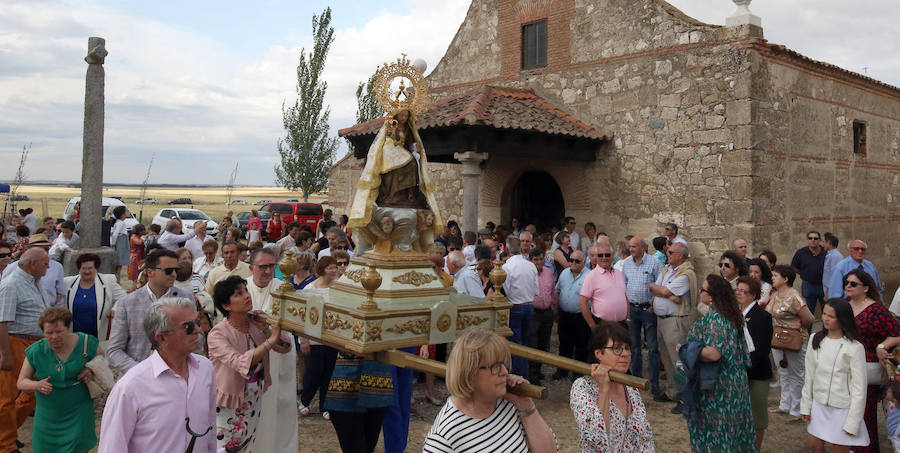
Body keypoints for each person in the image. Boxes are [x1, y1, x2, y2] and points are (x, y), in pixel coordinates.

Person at [98, 297, 216, 452]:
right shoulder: (131, 387)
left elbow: (209, 428)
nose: (197, 330)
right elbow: (112, 447)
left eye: (197, 323)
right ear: (161, 337)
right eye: (188, 327)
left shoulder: (205, 369)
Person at [423, 328, 557, 453]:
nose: (505, 372)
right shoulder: (444, 437)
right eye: (495, 367)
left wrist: (527, 406)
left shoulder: (510, 404)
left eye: (504, 364)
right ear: (469, 373)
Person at [208, 276, 290, 451]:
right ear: (226, 306)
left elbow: (285, 347)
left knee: (248, 442)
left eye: (246, 291)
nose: (246, 296)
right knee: (226, 446)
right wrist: (270, 340)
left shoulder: (254, 323)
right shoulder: (218, 334)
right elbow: (239, 362)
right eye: (238, 294)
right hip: (229, 400)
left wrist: (267, 328)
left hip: (253, 395)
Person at [684, 274, 755, 452]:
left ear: (712, 296)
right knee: (733, 431)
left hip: (720, 387)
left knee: (719, 431)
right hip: (733, 382)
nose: (700, 292)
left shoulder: (718, 319)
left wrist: (686, 349)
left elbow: (714, 353)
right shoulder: (729, 315)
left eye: (703, 289)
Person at [16, 307, 99, 452]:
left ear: (68, 328)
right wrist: (37, 385)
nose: (54, 337)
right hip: (47, 417)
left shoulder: (86, 342)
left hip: (78, 413)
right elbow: (21, 382)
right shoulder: (36, 351)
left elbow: (103, 359)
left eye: (59, 332)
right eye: (49, 333)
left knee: (78, 448)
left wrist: (91, 369)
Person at [106, 249, 193, 376]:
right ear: (150, 272)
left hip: (176, 375)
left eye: (176, 270)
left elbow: (197, 338)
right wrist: (142, 372)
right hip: (137, 379)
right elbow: (114, 351)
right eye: (169, 271)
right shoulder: (127, 303)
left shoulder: (186, 298)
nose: (174, 274)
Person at [570, 321, 653, 452]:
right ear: (599, 353)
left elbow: (645, 439)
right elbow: (596, 438)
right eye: (617, 349)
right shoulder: (583, 387)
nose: (625, 354)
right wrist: (604, 390)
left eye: (627, 348)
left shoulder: (631, 388)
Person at [800, 298, 869, 452]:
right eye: (824, 314)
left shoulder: (855, 348)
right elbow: (809, 376)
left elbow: (859, 388)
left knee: (839, 448)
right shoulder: (815, 339)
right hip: (819, 404)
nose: (825, 318)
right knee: (814, 445)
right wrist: (806, 405)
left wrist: (853, 421)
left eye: (831, 316)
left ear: (843, 319)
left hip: (842, 408)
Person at [845, 268, 900, 453]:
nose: (848, 286)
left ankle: (866, 448)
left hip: (867, 368)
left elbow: (896, 334)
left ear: (866, 288)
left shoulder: (876, 310)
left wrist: (881, 346)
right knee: (846, 410)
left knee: (864, 411)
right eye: (846, 283)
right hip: (844, 366)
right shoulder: (843, 307)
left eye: (853, 283)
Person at [0, 248, 49, 452]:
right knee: (7, 397)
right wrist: (5, 354)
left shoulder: (34, 282)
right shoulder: (11, 285)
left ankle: (8, 433)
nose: (48, 267)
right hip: (17, 343)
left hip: (36, 345)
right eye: (45, 263)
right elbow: (2, 322)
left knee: (33, 394)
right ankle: (5, 445)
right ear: (32, 264)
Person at [649, 242, 696, 412]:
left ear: (680, 255)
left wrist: (663, 291)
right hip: (662, 320)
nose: (667, 254)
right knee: (667, 359)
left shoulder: (686, 273)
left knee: (679, 361)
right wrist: (664, 292)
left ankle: (685, 397)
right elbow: (656, 287)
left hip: (675, 321)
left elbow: (663, 291)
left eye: (670, 252)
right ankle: (672, 392)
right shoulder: (667, 270)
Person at [767, 264, 815, 421]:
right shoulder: (775, 295)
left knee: (796, 373)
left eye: (775, 276)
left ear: (786, 279)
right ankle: (785, 405)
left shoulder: (794, 297)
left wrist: (796, 329)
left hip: (794, 339)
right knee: (783, 372)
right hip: (778, 338)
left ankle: (797, 409)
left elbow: (809, 318)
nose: (772, 278)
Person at [298, 255, 339, 419]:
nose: (334, 270)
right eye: (330, 268)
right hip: (314, 337)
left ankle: (325, 405)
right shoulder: (310, 288)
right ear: (322, 270)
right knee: (313, 372)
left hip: (332, 337)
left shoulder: (339, 287)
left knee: (329, 372)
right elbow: (302, 315)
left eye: (335, 267)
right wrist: (303, 340)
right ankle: (305, 400)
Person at [735, 276, 773, 450]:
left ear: (753, 295)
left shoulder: (762, 316)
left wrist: (745, 367)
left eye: (743, 291)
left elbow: (762, 349)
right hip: (737, 372)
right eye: (738, 290)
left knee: (757, 416)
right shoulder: (733, 314)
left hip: (756, 373)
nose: (739, 293)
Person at [63, 253, 126, 341]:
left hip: (98, 336)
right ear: (79, 269)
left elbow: (124, 297)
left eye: (90, 268)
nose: (87, 271)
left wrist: (115, 309)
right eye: (83, 268)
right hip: (74, 337)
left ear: (96, 268)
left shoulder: (108, 281)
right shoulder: (68, 282)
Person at [501, 237, 539, 378]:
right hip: (529, 305)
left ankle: (521, 376)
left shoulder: (507, 267)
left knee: (516, 345)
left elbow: (505, 291)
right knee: (526, 342)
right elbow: (536, 290)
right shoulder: (531, 265)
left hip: (515, 307)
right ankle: (526, 373)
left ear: (507, 249)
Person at [555, 249, 590, 375]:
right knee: (564, 343)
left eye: (577, 261)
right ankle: (563, 370)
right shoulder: (564, 273)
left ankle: (578, 373)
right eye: (571, 260)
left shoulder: (589, 276)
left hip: (581, 317)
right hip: (565, 315)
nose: (573, 263)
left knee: (581, 345)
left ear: (584, 262)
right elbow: (558, 291)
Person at [579, 242, 627, 330]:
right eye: (600, 255)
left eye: (607, 255)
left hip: (622, 324)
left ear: (612, 256)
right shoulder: (591, 276)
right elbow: (582, 303)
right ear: (596, 257)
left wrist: (628, 317)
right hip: (602, 325)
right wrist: (592, 325)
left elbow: (624, 296)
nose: (604, 258)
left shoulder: (619, 274)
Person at [528, 248, 557, 385]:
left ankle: (538, 370)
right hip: (534, 312)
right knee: (533, 343)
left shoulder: (549, 272)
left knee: (543, 343)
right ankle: (532, 374)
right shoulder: (528, 274)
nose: (539, 262)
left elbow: (553, 291)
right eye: (536, 260)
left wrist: (554, 308)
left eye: (541, 259)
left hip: (547, 312)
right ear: (531, 260)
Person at [792, 230, 826, 317]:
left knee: (826, 309)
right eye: (810, 238)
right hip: (808, 285)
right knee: (808, 311)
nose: (813, 240)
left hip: (824, 285)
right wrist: (803, 273)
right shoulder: (801, 253)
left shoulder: (825, 252)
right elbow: (794, 267)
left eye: (815, 238)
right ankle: (809, 326)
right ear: (807, 240)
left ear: (819, 240)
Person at [109, 205, 130, 280]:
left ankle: (117, 281)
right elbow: (115, 234)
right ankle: (117, 281)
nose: (129, 212)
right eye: (127, 211)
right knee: (118, 266)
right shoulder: (121, 223)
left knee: (118, 266)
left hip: (120, 244)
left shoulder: (118, 222)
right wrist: (113, 244)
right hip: (120, 245)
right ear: (122, 214)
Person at [822, 233, 843, 299]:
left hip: (832, 292)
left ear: (829, 243)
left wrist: (828, 292)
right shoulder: (830, 255)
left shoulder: (835, 256)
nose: (822, 244)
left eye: (823, 242)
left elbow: (834, 276)